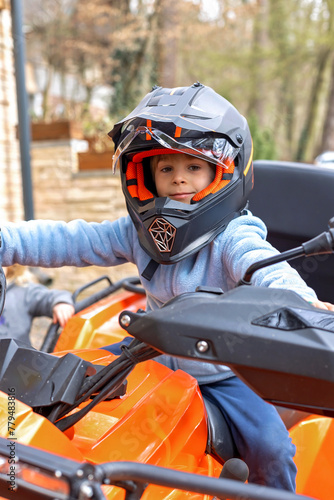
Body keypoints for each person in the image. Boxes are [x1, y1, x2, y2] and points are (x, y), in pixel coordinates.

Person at [0, 83, 333, 490]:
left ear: (221, 173)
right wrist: (7, 242)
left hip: (223, 373)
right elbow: (73, 240)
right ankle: (27, 476)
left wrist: (303, 306)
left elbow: (263, 268)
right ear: (146, 176)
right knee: (51, 388)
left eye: (193, 167)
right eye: (166, 169)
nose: (179, 180)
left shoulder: (233, 235)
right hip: (147, 353)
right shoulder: (138, 233)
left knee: (273, 450)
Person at [1, 264, 75, 347]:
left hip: (19, 357)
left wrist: (60, 302)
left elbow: (50, 296)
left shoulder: (24, 290)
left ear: (11, 265)